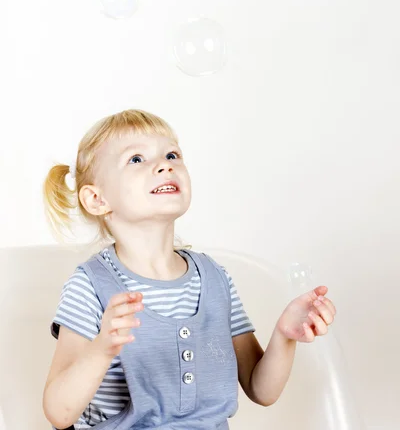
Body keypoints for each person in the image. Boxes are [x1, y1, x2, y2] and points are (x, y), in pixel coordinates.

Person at [42, 108, 336, 430]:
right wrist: (102, 349)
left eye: (172, 154)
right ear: (97, 199)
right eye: (136, 159)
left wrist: (284, 335)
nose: (165, 165)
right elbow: (59, 413)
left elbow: (260, 389)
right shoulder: (91, 286)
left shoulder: (214, 279)